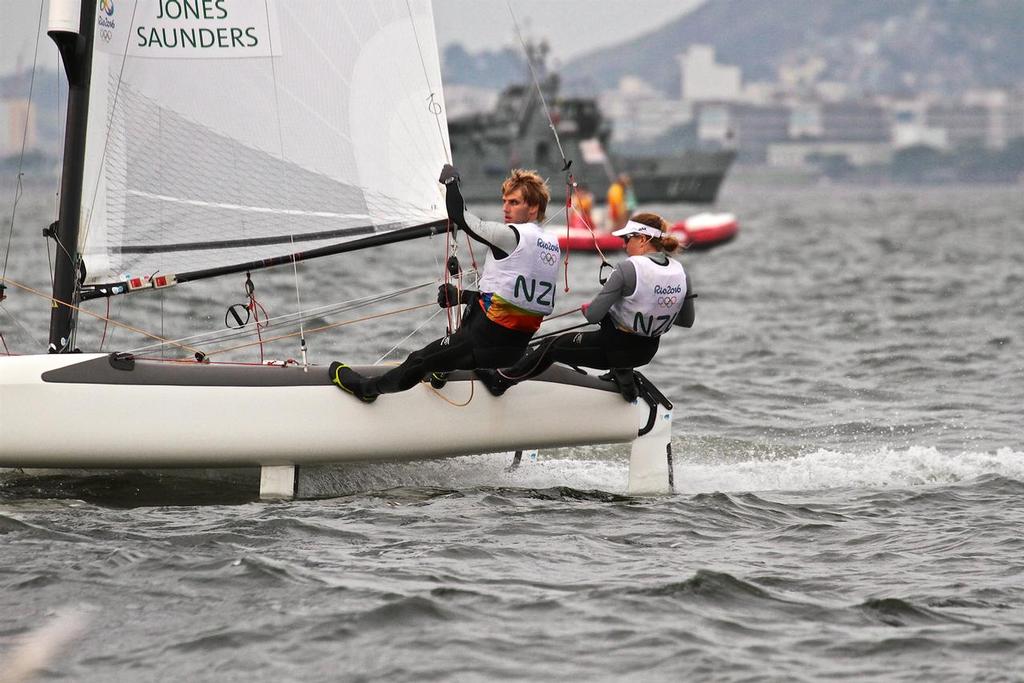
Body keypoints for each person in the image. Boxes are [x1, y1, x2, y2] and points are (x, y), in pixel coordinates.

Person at [329, 164, 560, 402]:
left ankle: (366, 390)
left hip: (482, 345)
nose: (505, 208)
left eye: (514, 202)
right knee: (467, 331)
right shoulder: (551, 245)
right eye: (504, 201)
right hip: (514, 350)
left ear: (533, 208)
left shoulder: (510, 236)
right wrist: (460, 296)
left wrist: (451, 182)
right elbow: (511, 299)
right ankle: (444, 369)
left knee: (418, 360)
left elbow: (461, 216)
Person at [475, 212, 694, 403]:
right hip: (646, 352)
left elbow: (592, 315)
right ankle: (626, 384)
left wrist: (610, 307)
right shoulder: (681, 272)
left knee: (551, 346)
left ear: (644, 239)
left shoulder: (628, 268)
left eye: (628, 239)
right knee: (620, 333)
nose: (624, 245)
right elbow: (686, 321)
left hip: (615, 349)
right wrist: (647, 310)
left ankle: (500, 381)